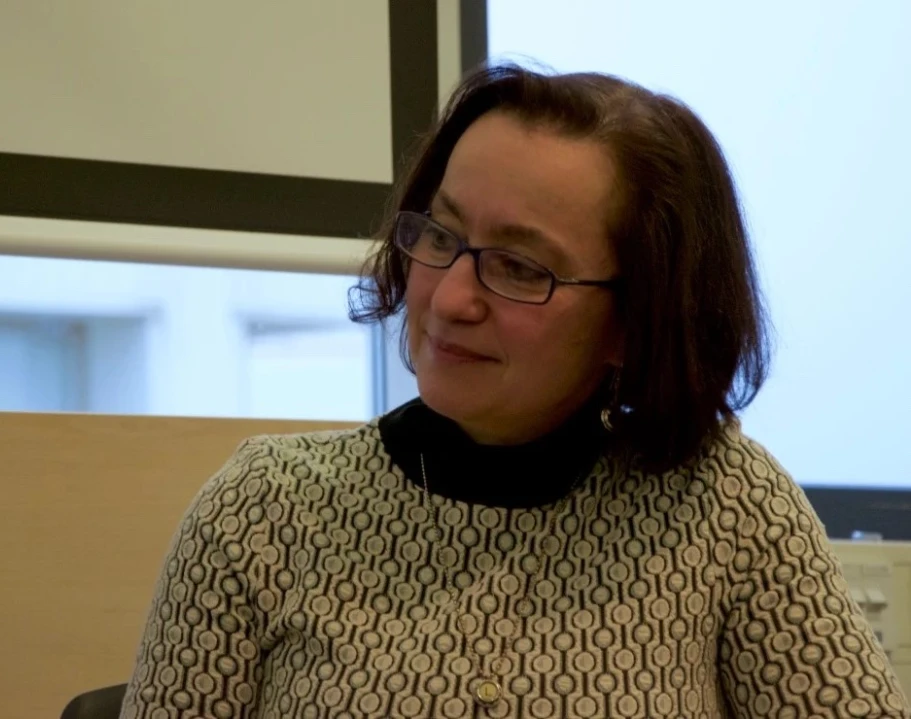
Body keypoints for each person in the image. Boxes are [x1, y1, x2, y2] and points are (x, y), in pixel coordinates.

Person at [119, 65, 910, 718]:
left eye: (519, 267)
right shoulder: (262, 511)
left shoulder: (727, 507)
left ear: (636, 318)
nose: (450, 297)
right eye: (440, 235)